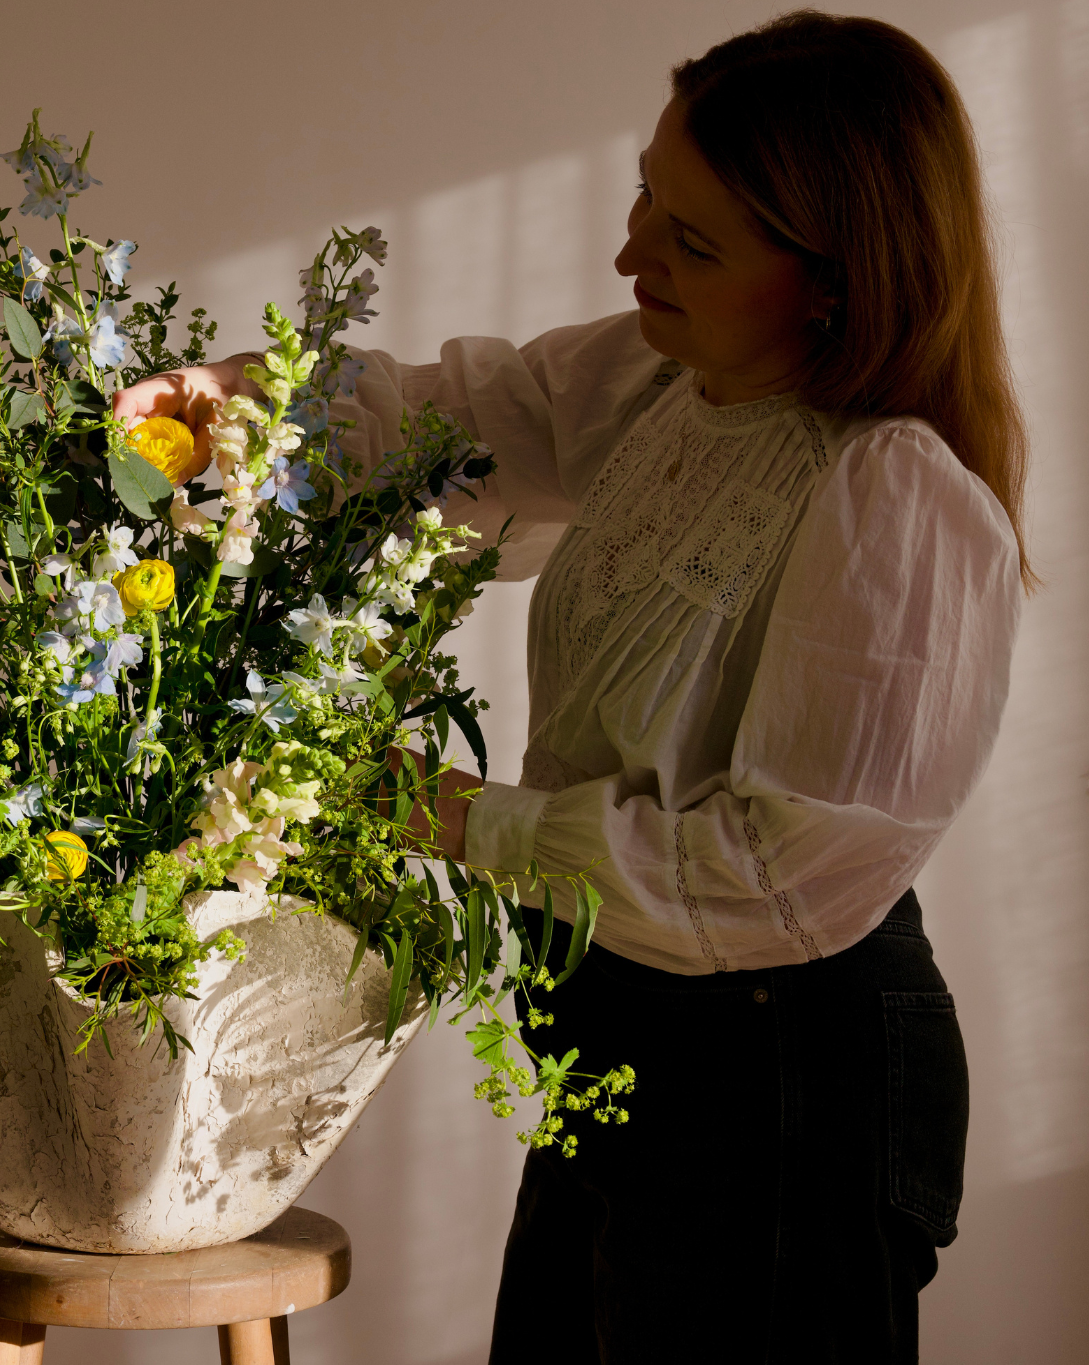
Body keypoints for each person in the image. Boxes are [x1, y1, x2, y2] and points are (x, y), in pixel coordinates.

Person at [113, 12, 1027, 1362]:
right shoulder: (677, 382)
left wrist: (465, 821)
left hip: (784, 1085)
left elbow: (775, 877)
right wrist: (239, 408)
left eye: (694, 241)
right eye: (649, 193)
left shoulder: (892, 498)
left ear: (835, 281)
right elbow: (461, 426)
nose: (632, 252)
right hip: (627, 1040)